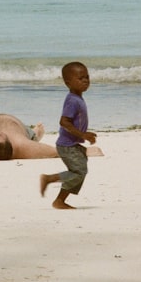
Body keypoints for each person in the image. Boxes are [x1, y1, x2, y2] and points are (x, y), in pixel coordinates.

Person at [40, 62, 97, 209]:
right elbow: (64, 122)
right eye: (80, 78)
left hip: (72, 144)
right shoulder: (72, 100)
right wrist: (83, 135)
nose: (85, 80)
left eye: (87, 77)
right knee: (78, 172)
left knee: (80, 172)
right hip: (67, 146)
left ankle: (60, 200)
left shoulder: (77, 98)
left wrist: (83, 136)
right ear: (68, 83)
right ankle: (50, 180)